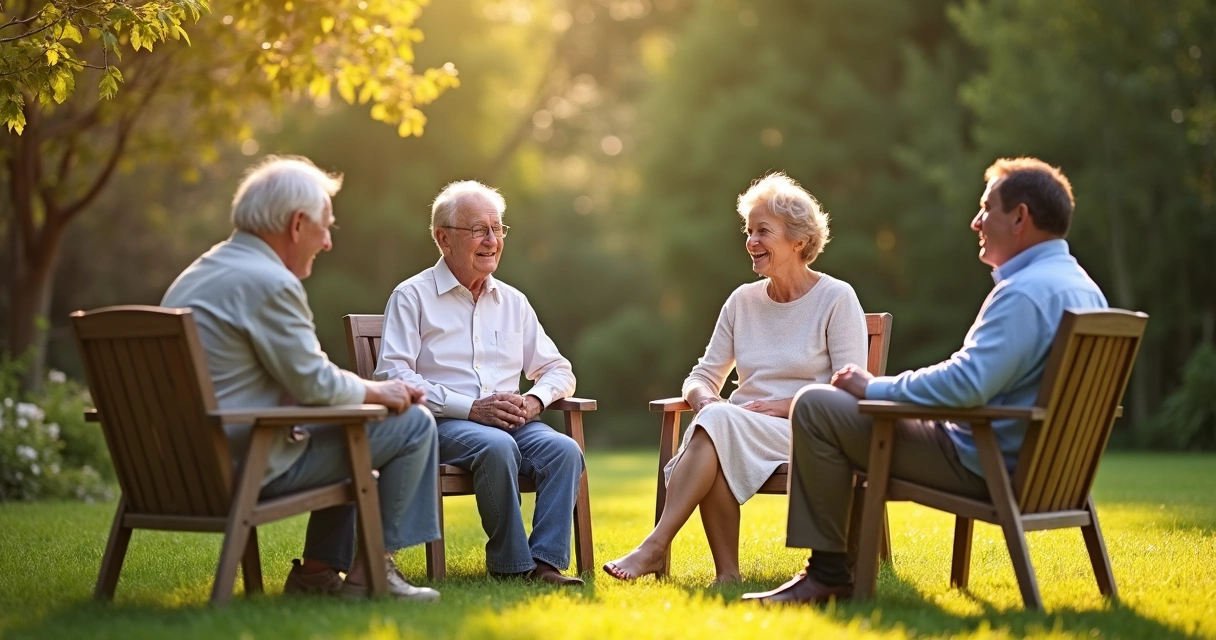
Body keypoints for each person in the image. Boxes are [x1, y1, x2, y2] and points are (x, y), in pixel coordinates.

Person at [743, 157, 1108, 605]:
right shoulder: (1084, 289)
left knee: (818, 407)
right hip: (1046, 467)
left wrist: (873, 388)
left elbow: (966, 386)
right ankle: (839, 570)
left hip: (986, 463)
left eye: (985, 208)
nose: (976, 222)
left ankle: (827, 575)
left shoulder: (1025, 293)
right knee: (835, 416)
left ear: (1020, 217)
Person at [162, 155, 441, 602]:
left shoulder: (197, 275)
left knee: (351, 430)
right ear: (296, 224)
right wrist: (381, 390)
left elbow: (283, 378)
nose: (328, 242)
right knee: (410, 426)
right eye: (325, 227)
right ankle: (372, 576)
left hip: (176, 467)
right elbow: (317, 385)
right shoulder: (270, 282)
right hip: (242, 464)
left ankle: (317, 573)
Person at [603, 172, 868, 584]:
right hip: (739, 427)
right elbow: (703, 375)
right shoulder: (742, 301)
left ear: (798, 240)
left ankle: (656, 546)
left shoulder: (836, 297)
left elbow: (848, 388)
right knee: (716, 423)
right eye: (748, 231)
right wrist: (703, 400)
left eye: (763, 231)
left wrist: (783, 405)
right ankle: (726, 574)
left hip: (808, 430)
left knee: (720, 427)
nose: (751, 241)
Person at [375, 180, 585, 586]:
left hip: (514, 422)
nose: (492, 240)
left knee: (564, 450)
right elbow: (394, 375)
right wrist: (469, 408)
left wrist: (535, 401)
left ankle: (544, 565)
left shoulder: (514, 302)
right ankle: (510, 565)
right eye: (479, 230)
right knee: (496, 445)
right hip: (443, 425)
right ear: (443, 239)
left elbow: (559, 368)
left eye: (498, 229)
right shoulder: (412, 296)